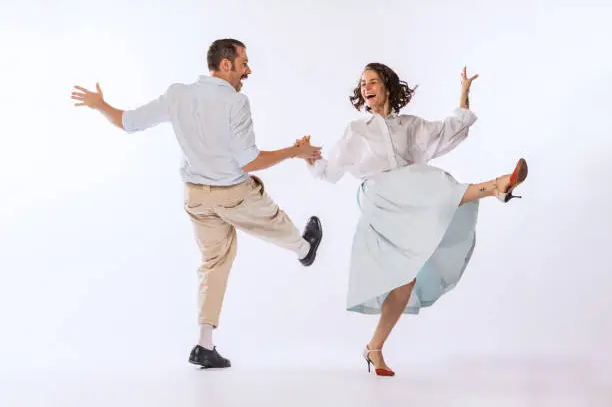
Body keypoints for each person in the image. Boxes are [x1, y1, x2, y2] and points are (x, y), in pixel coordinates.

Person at [71, 38, 324, 369]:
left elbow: (128, 122)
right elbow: (249, 161)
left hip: (196, 197)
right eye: (243, 63)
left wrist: (100, 105)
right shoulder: (237, 102)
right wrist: (295, 151)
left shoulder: (178, 94)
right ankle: (305, 251)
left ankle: (205, 345)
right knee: (272, 219)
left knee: (214, 264)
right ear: (225, 65)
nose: (248, 70)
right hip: (233, 193)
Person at [297, 63, 527, 376]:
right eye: (363, 83)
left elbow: (450, 131)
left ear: (387, 87)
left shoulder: (409, 126)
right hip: (381, 200)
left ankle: (373, 348)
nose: (366, 87)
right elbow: (329, 170)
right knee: (428, 182)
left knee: (405, 282)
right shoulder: (357, 131)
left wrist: (464, 92)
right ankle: (496, 186)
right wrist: (308, 156)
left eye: (373, 81)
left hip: (409, 201)